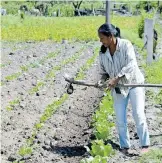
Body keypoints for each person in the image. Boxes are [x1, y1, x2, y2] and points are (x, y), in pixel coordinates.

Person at [97, 23, 150, 154]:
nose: (100, 41)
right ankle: (125, 146)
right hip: (119, 87)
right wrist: (102, 81)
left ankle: (145, 145)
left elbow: (132, 63)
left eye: (102, 38)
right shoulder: (103, 51)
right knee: (120, 118)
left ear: (110, 36)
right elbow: (103, 71)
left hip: (134, 83)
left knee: (138, 114)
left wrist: (117, 77)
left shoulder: (126, 45)